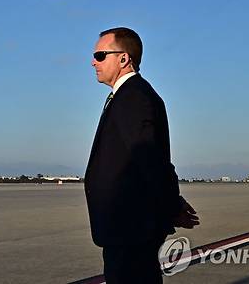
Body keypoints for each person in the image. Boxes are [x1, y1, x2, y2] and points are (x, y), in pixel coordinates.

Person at [84, 27, 199, 283]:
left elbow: (150, 159)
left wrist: (172, 205)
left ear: (123, 59)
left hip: (130, 228)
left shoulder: (134, 97)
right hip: (126, 227)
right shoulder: (128, 96)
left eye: (100, 55)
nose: (93, 61)